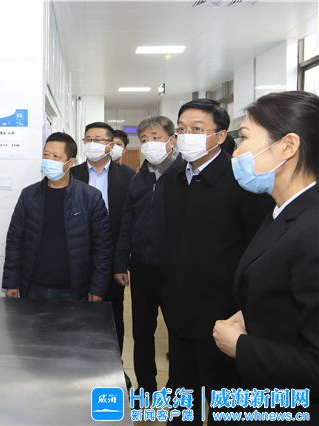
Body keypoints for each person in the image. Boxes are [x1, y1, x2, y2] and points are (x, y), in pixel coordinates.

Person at [163, 99, 273, 424]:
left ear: (221, 135)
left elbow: (258, 250)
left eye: (197, 130)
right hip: (180, 312)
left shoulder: (243, 181)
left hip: (224, 318)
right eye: (181, 129)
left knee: (225, 404)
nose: (186, 136)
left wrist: (245, 311)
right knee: (182, 398)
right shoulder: (173, 178)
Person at [213, 90, 319, 420]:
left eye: (244, 138)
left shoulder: (312, 229)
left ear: (288, 146)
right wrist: (253, 311)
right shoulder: (283, 210)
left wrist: (241, 346)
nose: (236, 152)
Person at [113, 115, 183, 395]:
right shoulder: (138, 179)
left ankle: (178, 392)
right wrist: (121, 263)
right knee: (141, 333)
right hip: (142, 267)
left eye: (156, 137)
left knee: (178, 334)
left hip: (175, 269)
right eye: (144, 139)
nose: (150, 143)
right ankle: (147, 389)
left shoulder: (184, 176)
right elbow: (126, 223)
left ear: (171, 140)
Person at [2, 132, 111, 301]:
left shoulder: (90, 197)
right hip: (33, 287)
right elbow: (15, 241)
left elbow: (102, 247)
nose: (49, 160)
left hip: (74, 289)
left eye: (56, 157)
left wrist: (98, 288)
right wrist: (11, 282)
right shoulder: (29, 195)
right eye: (46, 155)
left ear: (71, 162)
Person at [70, 122, 135, 353]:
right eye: (88, 139)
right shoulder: (72, 174)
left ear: (110, 145)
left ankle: (113, 363)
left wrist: (121, 264)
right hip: (76, 256)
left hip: (110, 258)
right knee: (76, 314)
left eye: (97, 140)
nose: (91, 144)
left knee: (112, 315)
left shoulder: (128, 176)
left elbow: (128, 224)